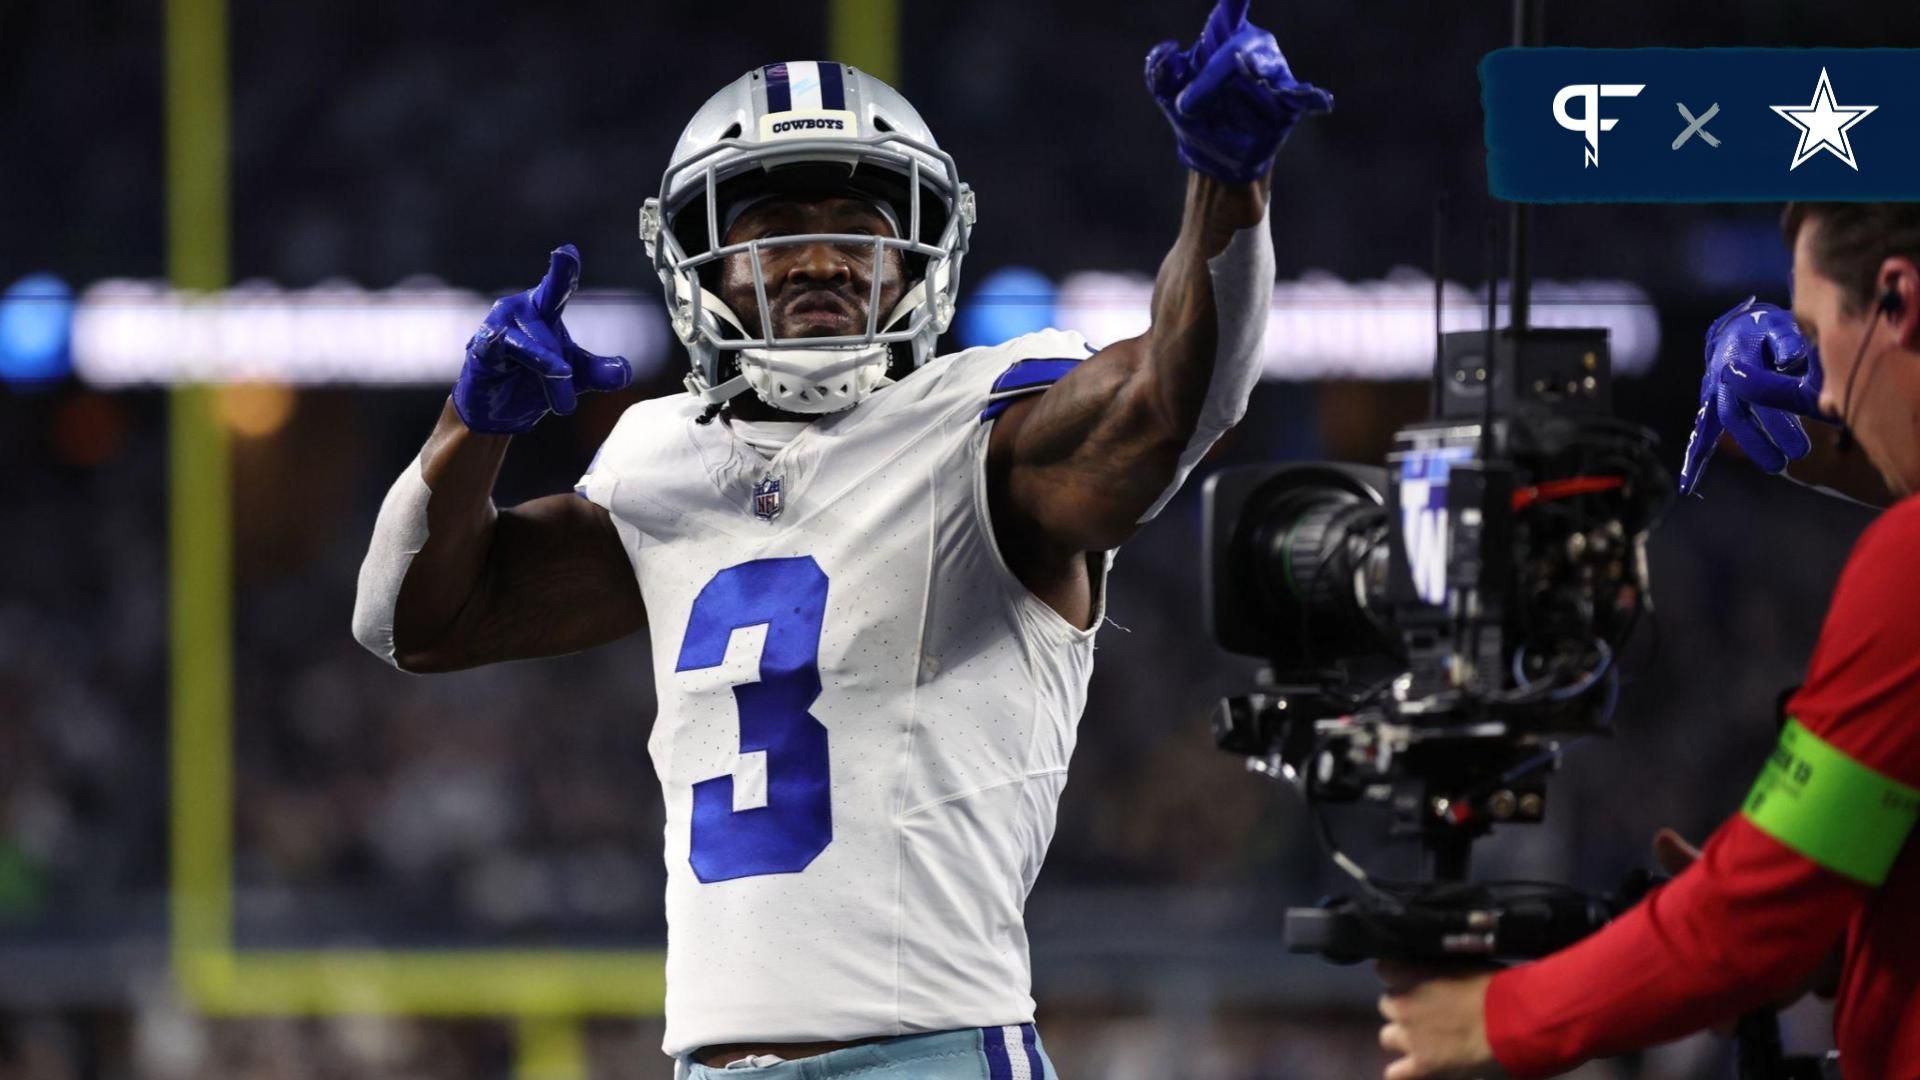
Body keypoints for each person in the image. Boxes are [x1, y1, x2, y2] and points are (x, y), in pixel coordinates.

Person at [351, 3, 1331, 1076]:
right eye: (773, 227)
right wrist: (469, 429)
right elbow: (413, 623)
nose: (820, 256)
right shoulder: (664, 459)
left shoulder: (984, 429)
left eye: (858, 225)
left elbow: (1173, 406)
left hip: (934, 1055)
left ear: (918, 253)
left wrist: (1226, 186)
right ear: (704, 263)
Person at [1376, 201, 1920, 1079]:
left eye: (1819, 337)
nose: (1819, 395)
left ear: (1898, 300)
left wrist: (1493, 1017)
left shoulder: (1910, 564)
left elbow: (1750, 926)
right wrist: (1837, 923)